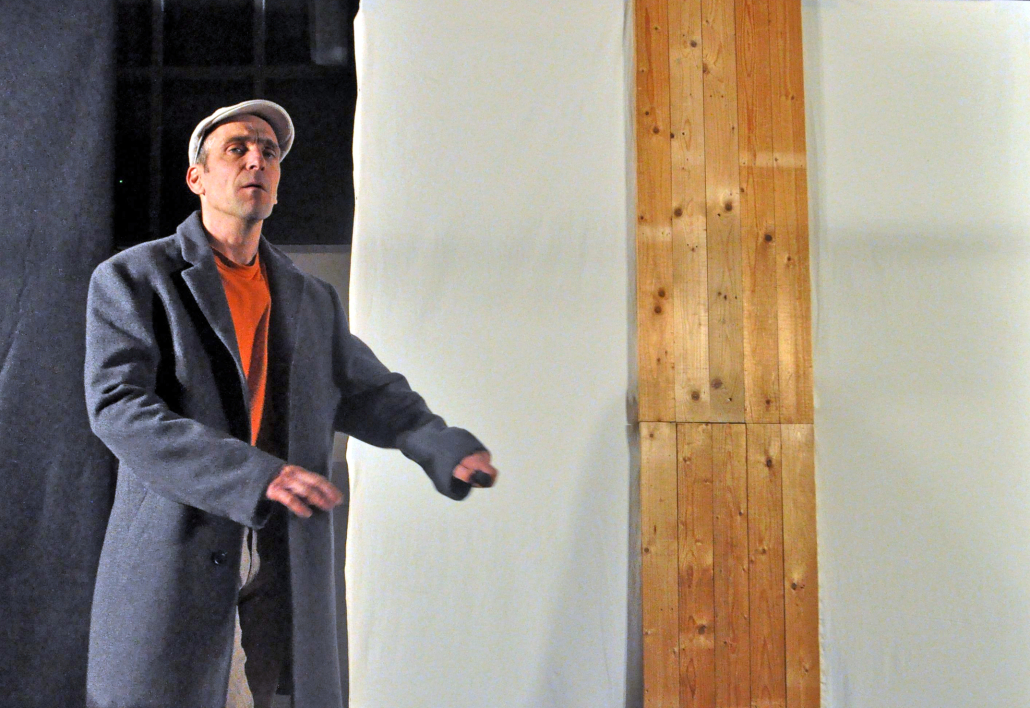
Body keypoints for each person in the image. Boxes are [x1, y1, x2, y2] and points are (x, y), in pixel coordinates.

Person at [83, 100, 497, 708]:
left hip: (278, 559)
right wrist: (256, 475)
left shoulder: (307, 298)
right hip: (178, 552)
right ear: (197, 177)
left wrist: (440, 445)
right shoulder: (136, 277)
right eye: (238, 149)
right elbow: (119, 408)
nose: (257, 160)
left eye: (269, 153)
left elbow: (371, 393)